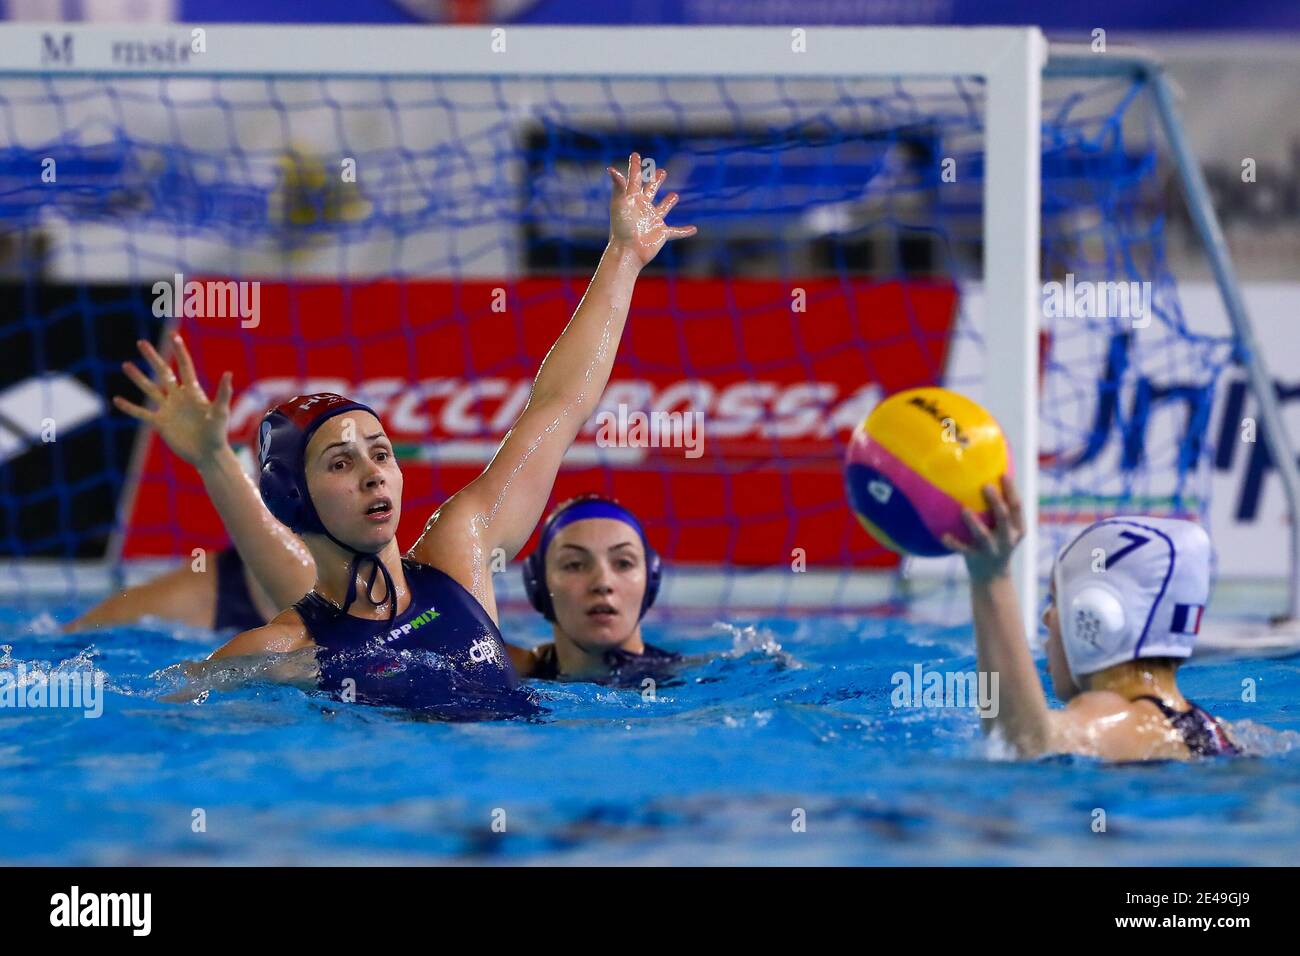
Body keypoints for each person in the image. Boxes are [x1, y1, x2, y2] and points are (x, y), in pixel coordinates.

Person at [191, 152, 694, 712]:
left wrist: (623, 256)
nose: (373, 475)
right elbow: (153, 709)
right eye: (340, 462)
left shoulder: (460, 554)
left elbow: (558, 405)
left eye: (381, 454)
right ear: (293, 496)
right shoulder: (285, 649)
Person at [944, 474, 1239, 760]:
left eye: (1056, 601)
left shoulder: (1114, 713)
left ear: (1095, 615)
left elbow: (1023, 743)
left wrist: (991, 577)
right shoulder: (1215, 728)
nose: (1047, 618)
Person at [69, 337, 317, 634]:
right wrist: (212, 458)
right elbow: (63, 646)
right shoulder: (187, 600)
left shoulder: (371, 585)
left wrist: (213, 458)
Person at [515, 494, 681, 684]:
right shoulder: (505, 669)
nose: (603, 583)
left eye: (623, 563)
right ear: (537, 584)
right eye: (575, 565)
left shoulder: (695, 678)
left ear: (651, 580)